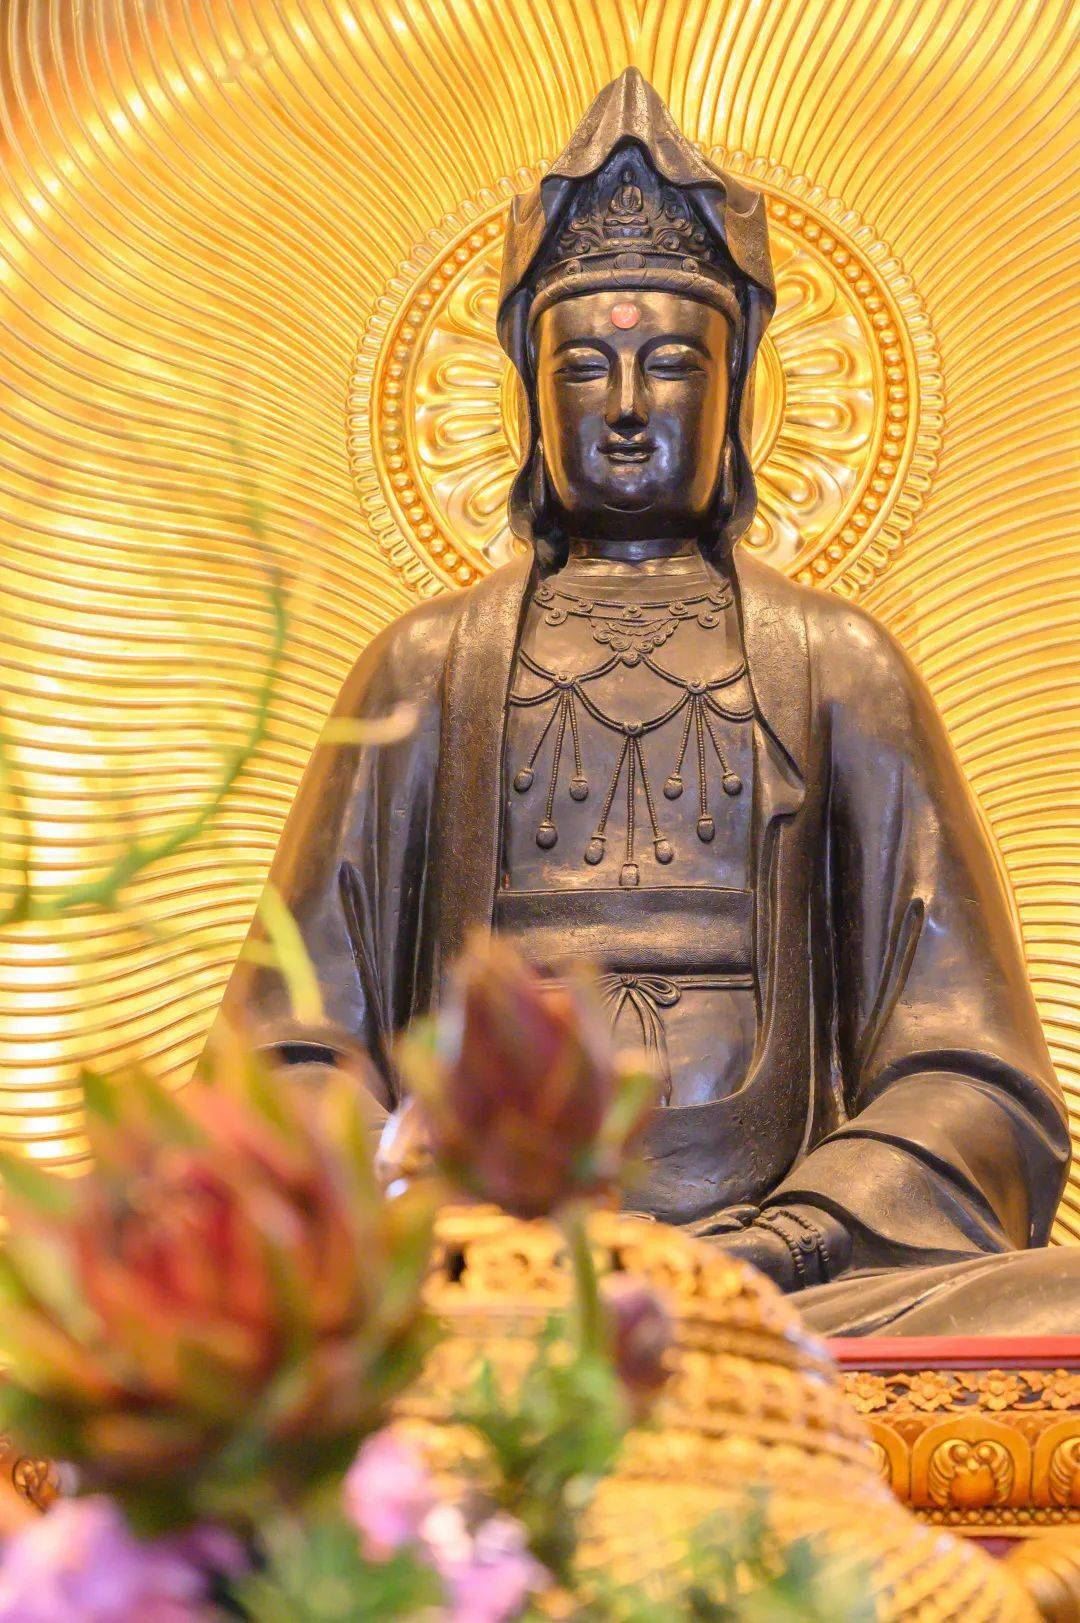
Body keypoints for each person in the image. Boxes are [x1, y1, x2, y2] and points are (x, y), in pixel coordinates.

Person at [217, 70, 1075, 1334]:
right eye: (584, 369)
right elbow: (285, 1051)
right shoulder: (423, 667)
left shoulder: (841, 664)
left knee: (1048, 1301)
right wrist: (422, 1218)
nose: (625, 410)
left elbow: (972, 1068)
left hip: (796, 1281)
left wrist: (795, 1238)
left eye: (670, 365)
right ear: (530, 399)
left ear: (734, 395)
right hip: (466, 1276)